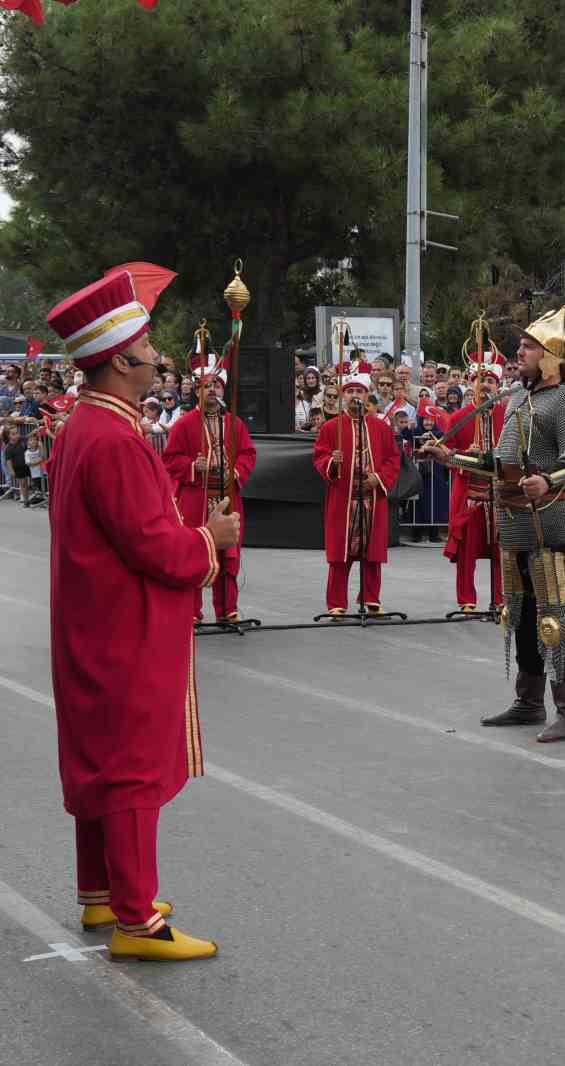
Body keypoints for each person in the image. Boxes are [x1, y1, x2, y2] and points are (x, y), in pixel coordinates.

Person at [45, 267, 241, 961]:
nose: (159, 359)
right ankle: (136, 921)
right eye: (149, 348)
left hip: (94, 620)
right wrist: (207, 539)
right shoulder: (116, 438)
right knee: (129, 766)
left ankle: (102, 892)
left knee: (101, 758)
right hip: (123, 625)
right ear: (120, 361)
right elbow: (155, 547)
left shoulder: (85, 427)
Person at [480, 306, 565, 741]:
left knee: (556, 615)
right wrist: (450, 457)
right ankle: (528, 702)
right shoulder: (516, 399)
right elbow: (501, 461)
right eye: (520, 346)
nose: (519, 352)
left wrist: (546, 480)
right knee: (522, 613)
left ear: (550, 357)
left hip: (554, 520)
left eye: (528, 346)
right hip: (516, 521)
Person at [162, 354, 257, 625]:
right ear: (197, 390)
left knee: (228, 558)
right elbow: (169, 459)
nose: (212, 390)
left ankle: (228, 609)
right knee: (195, 553)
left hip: (227, 497)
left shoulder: (235, 423)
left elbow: (248, 454)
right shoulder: (183, 424)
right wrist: (194, 465)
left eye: (216, 384)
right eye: (206, 385)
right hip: (195, 497)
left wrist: (235, 471)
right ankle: (191, 611)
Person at [420, 346, 508, 613]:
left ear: (498, 384)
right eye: (480, 381)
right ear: (471, 383)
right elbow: (447, 457)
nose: (485, 387)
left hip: (501, 495)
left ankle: (500, 599)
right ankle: (467, 600)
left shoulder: (508, 416)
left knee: (500, 552)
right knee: (467, 552)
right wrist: (459, 455)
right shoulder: (458, 417)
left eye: (490, 381)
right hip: (470, 494)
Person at [312, 362, 401, 615]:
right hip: (344, 497)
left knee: (372, 553)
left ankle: (371, 598)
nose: (354, 396)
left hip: (372, 497)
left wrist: (379, 478)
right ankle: (337, 603)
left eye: (359, 392)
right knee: (341, 554)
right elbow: (319, 457)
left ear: (366, 396)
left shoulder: (380, 427)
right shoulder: (331, 428)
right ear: (343, 396)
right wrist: (332, 462)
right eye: (349, 391)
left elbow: (393, 459)